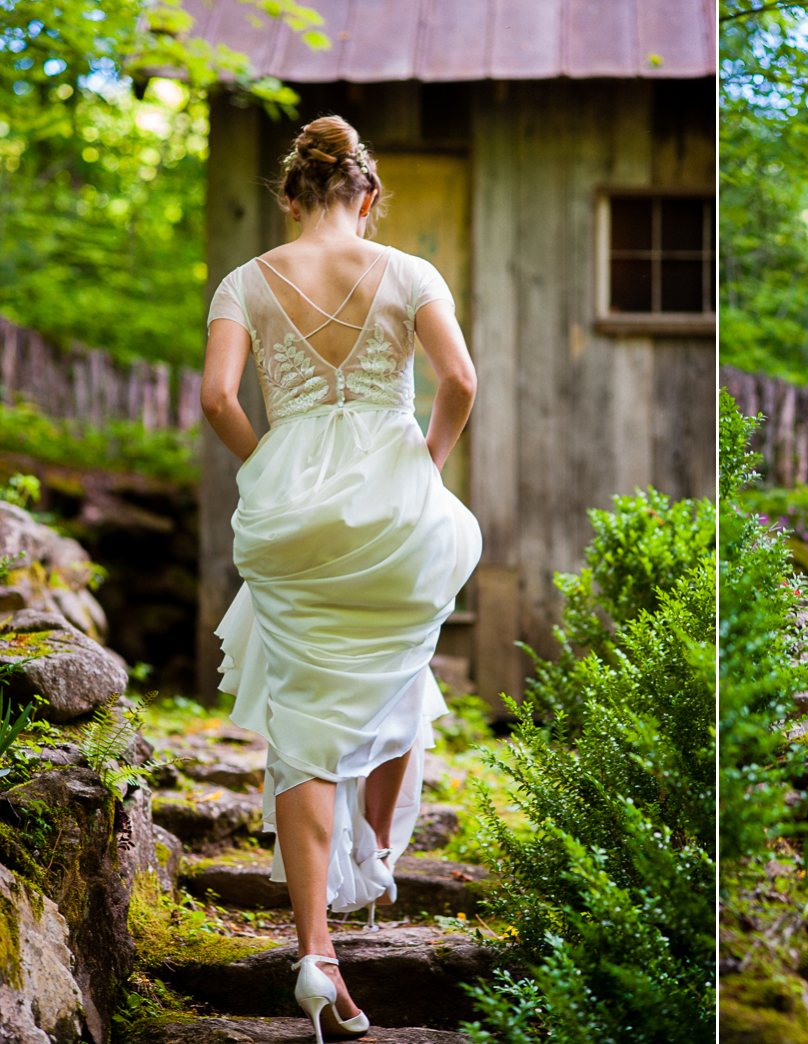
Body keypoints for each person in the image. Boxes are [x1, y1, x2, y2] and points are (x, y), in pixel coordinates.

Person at [200, 115, 482, 1040]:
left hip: (292, 511)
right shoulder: (410, 272)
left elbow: (215, 398)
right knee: (402, 666)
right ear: (366, 197)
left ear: (289, 197)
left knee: (304, 720)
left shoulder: (245, 282)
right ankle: (372, 855)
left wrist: (266, 461)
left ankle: (316, 949)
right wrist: (426, 466)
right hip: (394, 503)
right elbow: (461, 381)